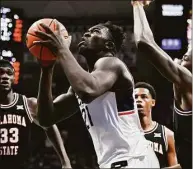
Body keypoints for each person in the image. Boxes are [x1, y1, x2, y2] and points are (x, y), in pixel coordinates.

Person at [34, 20, 159, 168]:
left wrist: (62, 50)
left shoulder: (112, 64)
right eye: (88, 31)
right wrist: (47, 68)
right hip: (116, 161)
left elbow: (88, 91)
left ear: (109, 45)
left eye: (96, 32)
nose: (87, 33)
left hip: (133, 159)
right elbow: (46, 118)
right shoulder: (82, 83)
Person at [132, 1, 192, 169]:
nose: (183, 54)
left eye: (187, 55)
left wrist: (137, 5)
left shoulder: (188, 83)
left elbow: (143, 42)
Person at [0, 59, 71, 169]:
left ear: (14, 78)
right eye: (1, 72)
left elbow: (50, 125)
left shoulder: (27, 104)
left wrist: (65, 162)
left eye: (9, 73)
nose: (4, 76)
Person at [134, 82, 179, 168]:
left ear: (153, 102)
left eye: (144, 97)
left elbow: (174, 166)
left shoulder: (167, 134)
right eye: (135, 97)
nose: (138, 100)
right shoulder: (124, 132)